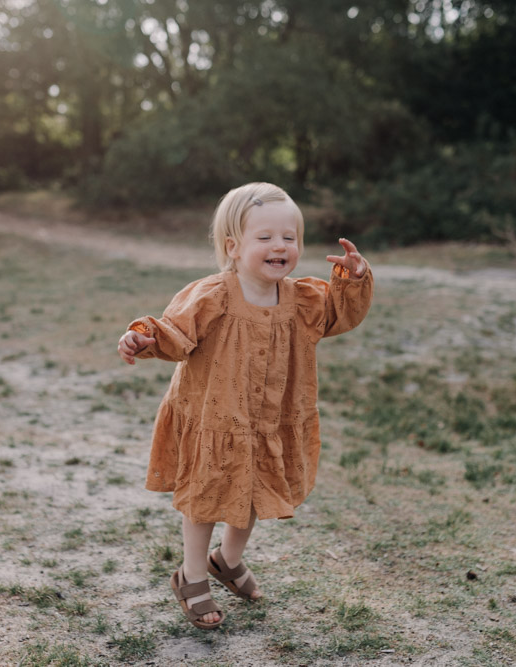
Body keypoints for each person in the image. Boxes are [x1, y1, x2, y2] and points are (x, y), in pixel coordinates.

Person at [117, 182, 373, 629]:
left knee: (254, 488)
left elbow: (339, 315)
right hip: (216, 415)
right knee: (207, 496)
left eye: (289, 238)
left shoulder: (304, 299)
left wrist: (353, 280)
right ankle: (191, 574)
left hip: (272, 418)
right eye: (265, 238)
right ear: (233, 248)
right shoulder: (212, 294)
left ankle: (227, 559)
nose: (280, 246)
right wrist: (145, 338)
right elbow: (175, 334)